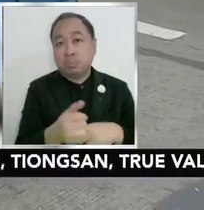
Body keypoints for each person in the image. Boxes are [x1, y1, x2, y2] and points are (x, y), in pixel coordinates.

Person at [15, 12, 135, 145]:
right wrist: (51, 135)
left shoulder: (118, 89)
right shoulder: (39, 89)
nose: (69, 51)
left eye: (77, 40)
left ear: (93, 46)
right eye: (60, 43)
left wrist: (118, 132)